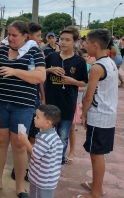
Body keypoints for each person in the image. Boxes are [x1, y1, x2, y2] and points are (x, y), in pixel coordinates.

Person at [0, 21, 46, 198]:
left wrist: (14, 71)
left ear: (25, 36)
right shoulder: (1, 51)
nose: (10, 38)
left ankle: (20, 187)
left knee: (20, 145)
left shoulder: (33, 51)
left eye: (14, 35)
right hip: (1, 103)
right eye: (9, 34)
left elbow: (40, 76)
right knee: (0, 143)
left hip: (22, 106)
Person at [73, 29, 118, 198]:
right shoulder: (110, 62)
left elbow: (88, 96)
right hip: (107, 115)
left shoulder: (97, 67)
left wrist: (83, 115)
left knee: (96, 155)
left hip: (99, 116)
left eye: (87, 42)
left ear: (95, 45)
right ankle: (95, 184)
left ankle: (96, 192)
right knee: (98, 153)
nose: (84, 45)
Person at [44, 26, 88, 165]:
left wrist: (72, 81)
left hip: (67, 104)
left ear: (75, 42)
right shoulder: (51, 57)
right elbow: (40, 73)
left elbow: (84, 82)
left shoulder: (79, 61)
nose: (63, 42)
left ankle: (58, 162)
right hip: (50, 104)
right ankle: (46, 161)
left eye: (67, 40)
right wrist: (49, 70)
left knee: (63, 136)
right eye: (61, 39)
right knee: (47, 135)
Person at [11, 22, 46, 181]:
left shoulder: (36, 53)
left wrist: (42, 97)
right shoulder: (20, 52)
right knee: (22, 140)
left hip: (31, 101)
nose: (40, 39)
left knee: (29, 137)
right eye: (38, 36)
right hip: (22, 102)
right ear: (28, 35)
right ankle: (21, 170)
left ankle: (26, 170)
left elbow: (39, 78)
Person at [18, 104, 63, 198]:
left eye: (38, 117)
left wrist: (26, 141)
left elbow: (35, 154)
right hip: (44, 178)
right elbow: (42, 150)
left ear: (47, 123)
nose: (34, 118)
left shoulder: (45, 138)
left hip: (42, 180)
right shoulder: (51, 134)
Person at [65, 48, 91, 165]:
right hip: (62, 100)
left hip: (73, 101)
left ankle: (72, 152)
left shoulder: (84, 67)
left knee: (71, 129)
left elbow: (84, 86)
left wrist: (71, 83)